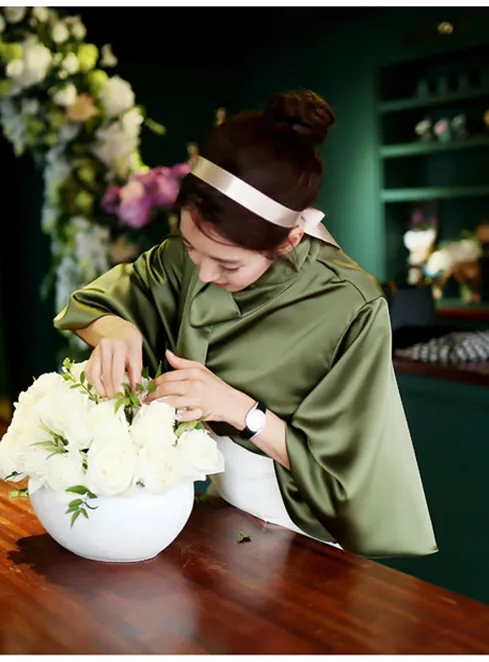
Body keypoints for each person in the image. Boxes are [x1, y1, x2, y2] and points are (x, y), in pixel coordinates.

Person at [54, 90, 438, 558]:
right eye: (193, 248)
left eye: (228, 265)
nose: (205, 275)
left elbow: (346, 476)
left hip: (296, 525)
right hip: (211, 510)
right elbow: (93, 306)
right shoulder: (183, 260)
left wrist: (240, 410)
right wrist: (115, 330)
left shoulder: (350, 305)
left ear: (290, 238)